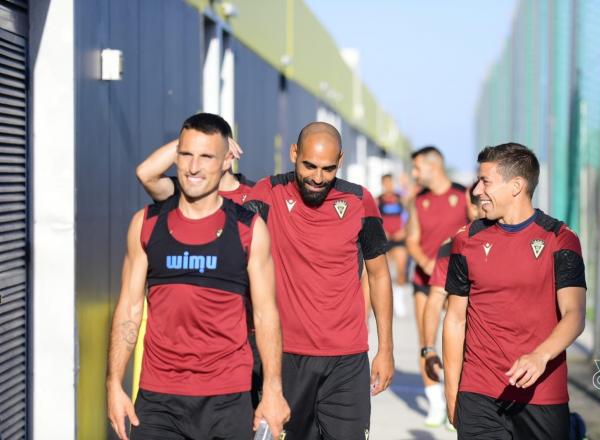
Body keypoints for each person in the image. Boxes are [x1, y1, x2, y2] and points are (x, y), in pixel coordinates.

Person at [106, 113, 289, 440]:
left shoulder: (248, 229)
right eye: (186, 154)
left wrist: (273, 389)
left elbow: (265, 314)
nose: (193, 167)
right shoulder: (146, 224)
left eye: (206, 156)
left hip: (227, 397)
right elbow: (129, 311)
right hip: (159, 399)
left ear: (224, 163)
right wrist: (113, 384)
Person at [244, 121, 394, 439]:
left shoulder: (360, 201)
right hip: (283, 357)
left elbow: (379, 275)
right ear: (294, 153)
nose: (317, 177)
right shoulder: (266, 194)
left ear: (340, 161)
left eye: (327, 168)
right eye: (309, 165)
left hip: (347, 361)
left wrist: (386, 348)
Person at [443, 143, 586, 439]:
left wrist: (540, 356)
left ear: (516, 186)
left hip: (542, 395)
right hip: (478, 393)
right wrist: (452, 393)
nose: (477, 190)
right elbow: (455, 320)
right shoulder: (465, 240)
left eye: (486, 182)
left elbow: (574, 315)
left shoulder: (560, 239)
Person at [135, 132, 265, 409]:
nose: (196, 162)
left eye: (208, 153)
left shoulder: (256, 196)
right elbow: (146, 173)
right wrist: (186, 144)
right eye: (190, 153)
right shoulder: (184, 194)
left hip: (247, 337)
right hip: (186, 349)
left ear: (228, 155)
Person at [405, 146, 469, 426]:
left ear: (434, 166)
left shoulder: (463, 194)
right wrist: (426, 263)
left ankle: (459, 397)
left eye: (417, 168)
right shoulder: (417, 200)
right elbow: (411, 239)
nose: (414, 173)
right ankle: (435, 404)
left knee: (463, 340)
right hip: (424, 281)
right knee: (426, 341)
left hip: (457, 283)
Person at [378, 173, 409, 318]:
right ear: (383, 184)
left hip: (399, 238)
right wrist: (382, 231)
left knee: (401, 269)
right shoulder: (378, 201)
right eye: (386, 183)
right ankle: (387, 301)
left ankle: (400, 298)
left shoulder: (400, 199)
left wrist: (404, 231)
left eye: (390, 182)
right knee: (386, 272)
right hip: (385, 238)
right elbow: (375, 219)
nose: (388, 185)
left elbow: (410, 216)